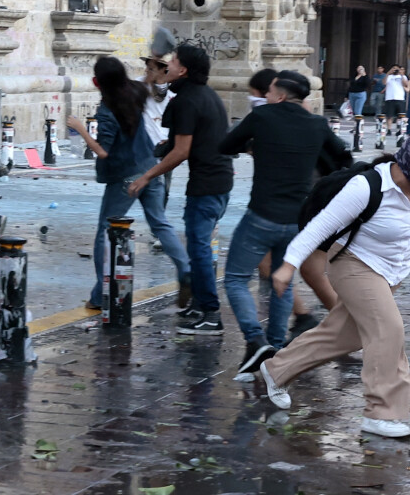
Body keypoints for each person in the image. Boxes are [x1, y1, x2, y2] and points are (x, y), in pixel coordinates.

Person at [254, 130, 410, 438]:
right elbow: (320, 227)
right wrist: (288, 266)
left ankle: (276, 369)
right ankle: (381, 413)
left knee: (341, 335)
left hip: (390, 272)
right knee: (388, 330)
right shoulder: (366, 186)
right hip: (353, 264)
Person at [216, 70, 350, 376]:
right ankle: (274, 345)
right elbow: (343, 156)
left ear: (280, 95)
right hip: (298, 221)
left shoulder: (262, 117)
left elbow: (226, 145)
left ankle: (255, 339)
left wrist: (254, 147)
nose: (265, 96)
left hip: (262, 215)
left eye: (270, 91)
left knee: (236, 278)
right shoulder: (317, 124)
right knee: (284, 279)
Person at [66, 56, 189, 311]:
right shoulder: (135, 91)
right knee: (160, 223)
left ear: (98, 82)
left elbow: (104, 152)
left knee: (104, 233)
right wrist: (154, 71)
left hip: (124, 176)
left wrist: (81, 129)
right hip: (150, 168)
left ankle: (101, 295)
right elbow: (146, 81)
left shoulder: (107, 108)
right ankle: (186, 269)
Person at [128, 44, 232, 335]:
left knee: (198, 249)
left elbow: (182, 151)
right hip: (218, 182)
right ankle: (199, 304)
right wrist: (164, 147)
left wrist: (147, 176)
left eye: (172, 62)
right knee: (198, 247)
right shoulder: (205, 95)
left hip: (207, 186)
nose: (167, 65)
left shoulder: (187, 101)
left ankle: (211, 314)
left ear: (183, 69)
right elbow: (184, 142)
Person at [382, 66, 407, 136]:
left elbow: (405, 84)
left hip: (400, 98)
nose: (395, 70)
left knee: (400, 116)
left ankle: (399, 129)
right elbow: (384, 83)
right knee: (389, 116)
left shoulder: (403, 76)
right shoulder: (389, 76)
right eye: (394, 69)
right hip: (390, 98)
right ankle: (389, 129)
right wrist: (388, 73)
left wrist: (401, 75)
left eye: (397, 69)